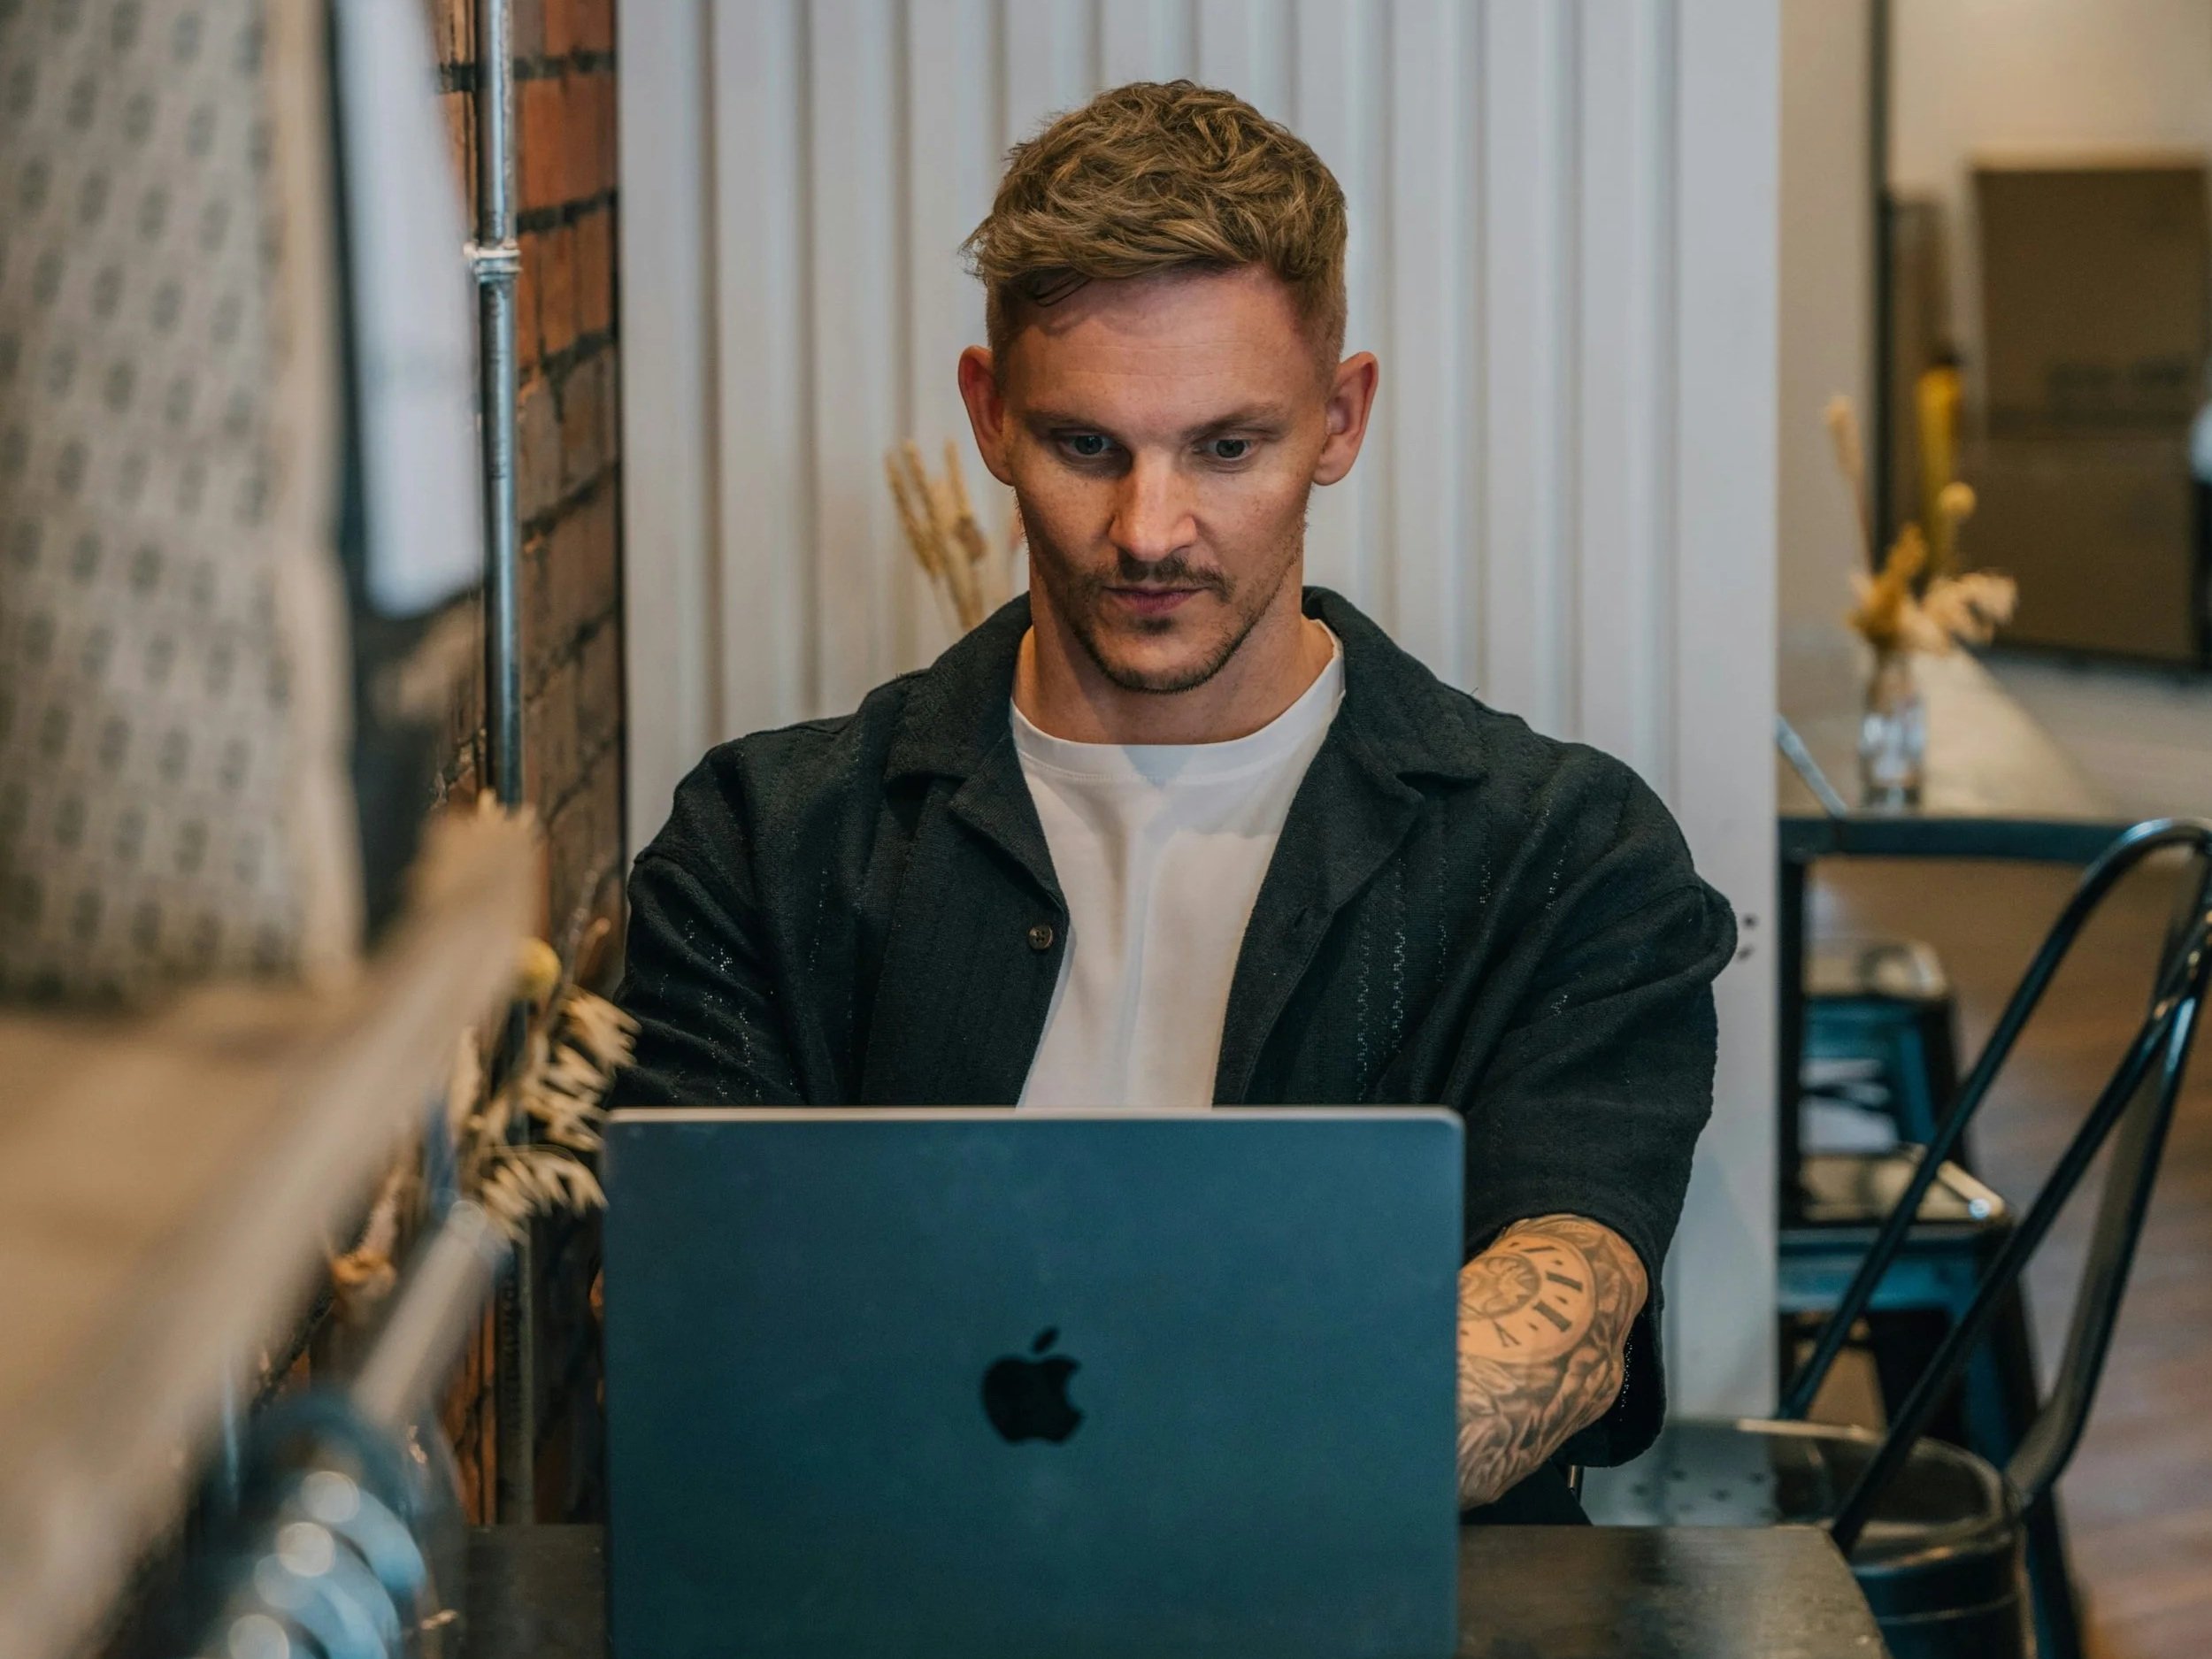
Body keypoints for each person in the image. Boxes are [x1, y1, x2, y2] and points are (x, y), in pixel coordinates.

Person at [612, 80, 1736, 1524]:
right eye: (1090, 446)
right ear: (991, 416)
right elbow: (687, 1307)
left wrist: (1147, 1489)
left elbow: (1565, 1301)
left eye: (1226, 447)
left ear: (1339, 421)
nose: (1151, 531)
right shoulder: (768, 843)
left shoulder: (1564, 856)